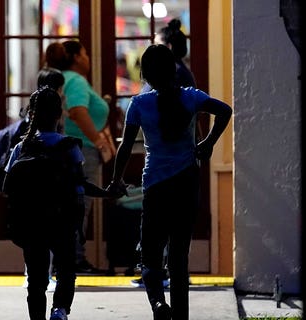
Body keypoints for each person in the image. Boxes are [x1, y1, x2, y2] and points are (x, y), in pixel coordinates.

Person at [107, 44, 232, 320]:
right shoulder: (191, 98)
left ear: (146, 75)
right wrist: (208, 143)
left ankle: (158, 305)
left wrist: (117, 179)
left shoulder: (139, 105)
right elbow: (224, 110)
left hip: (155, 185)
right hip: (187, 182)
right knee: (179, 255)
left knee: (150, 254)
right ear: (173, 70)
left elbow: (125, 147)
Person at [5, 86, 115, 320]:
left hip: (32, 223)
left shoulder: (20, 148)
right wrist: (107, 193)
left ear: (31, 114)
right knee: (66, 271)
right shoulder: (70, 147)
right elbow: (80, 185)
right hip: (62, 222)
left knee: (36, 278)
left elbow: (8, 187)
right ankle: (60, 310)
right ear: (60, 114)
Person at [132, 17, 197, 289]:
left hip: (165, 167)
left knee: (160, 227)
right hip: (179, 164)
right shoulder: (185, 80)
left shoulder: (173, 79)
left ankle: (159, 278)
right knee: (173, 228)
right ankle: (165, 274)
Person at [45, 40, 114, 274]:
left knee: (72, 205)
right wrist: (97, 140)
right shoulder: (76, 80)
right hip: (82, 150)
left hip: (73, 149)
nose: (87, 57)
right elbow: (77, 111)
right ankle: (74, 259)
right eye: (85, 53)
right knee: (79, 204)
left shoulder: (67, 79)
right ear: (75, 57)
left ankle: (71, 257)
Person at [21, 67, 67, 292]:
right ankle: (50, 281)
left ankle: (33, 275)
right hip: (56, 199)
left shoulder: (26, 137)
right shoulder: (64, 140)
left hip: (31, 200)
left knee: (35, 243)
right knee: (53, 243)